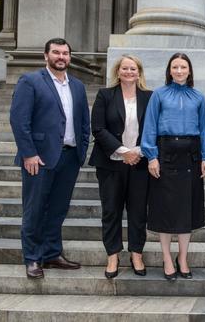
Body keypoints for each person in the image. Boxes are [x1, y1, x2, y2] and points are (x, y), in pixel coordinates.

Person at [10, 38, 90, 279]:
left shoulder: (77, 85)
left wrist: (81, 151)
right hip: (39, 159)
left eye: (65, 53)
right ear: (46, 56)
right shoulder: (31, 81)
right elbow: (18, 120)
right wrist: (29, 153)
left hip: (69, 158)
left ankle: (52, 253)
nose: (61, 57)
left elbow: (83, 121)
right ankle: (33, 258)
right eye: (56, 52)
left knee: (58, 209)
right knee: (34, 209)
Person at [141, 52, 205, 280]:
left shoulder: (198, 97)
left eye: (183, 67)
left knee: (186, 210)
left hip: (190, 155)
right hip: (165, 154)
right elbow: (149, 126)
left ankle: (182, 257)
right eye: (175, 67)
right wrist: (151, 156)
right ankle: (167, 258)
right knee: (165, 210)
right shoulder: (159, 95)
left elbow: (204, 129)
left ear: (189, 70)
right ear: (169, 71)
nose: (179, 71)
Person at [89, 55, 152, 279]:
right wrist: (124, 152)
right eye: (124, 68)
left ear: (139, 72)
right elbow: (98, 128)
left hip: (140, 163)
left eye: (132, 69)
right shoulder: (105, 95)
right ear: (118, 71)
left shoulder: (149, 97)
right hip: (110, 164)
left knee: (137, 212)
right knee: (111, 210)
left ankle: (136, 254)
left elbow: (154, 129)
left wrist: (138, 152)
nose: (128, 72)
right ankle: (113, 255)